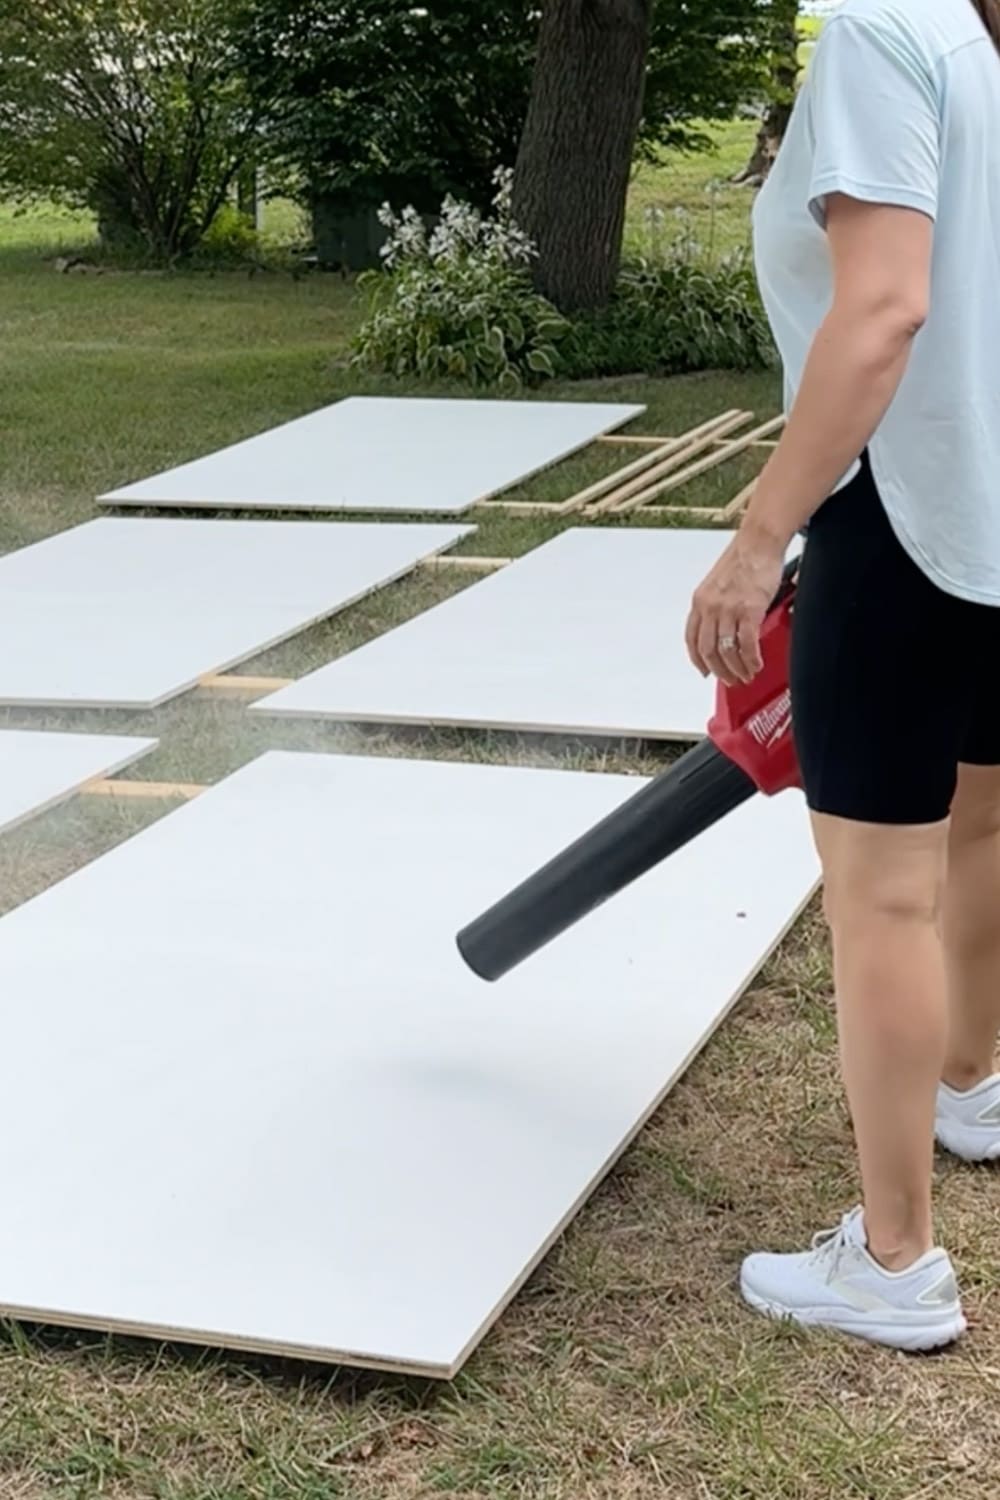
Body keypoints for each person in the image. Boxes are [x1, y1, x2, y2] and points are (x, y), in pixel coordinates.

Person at [685, 0, 1000, 1352]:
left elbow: (881, 311)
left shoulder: (887, 27)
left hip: (909, 517)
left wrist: (758, 545)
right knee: (983, 822)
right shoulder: (976, 39)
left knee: (881, 895)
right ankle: (972, 1082)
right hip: (990, 507)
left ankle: (894, 1262)